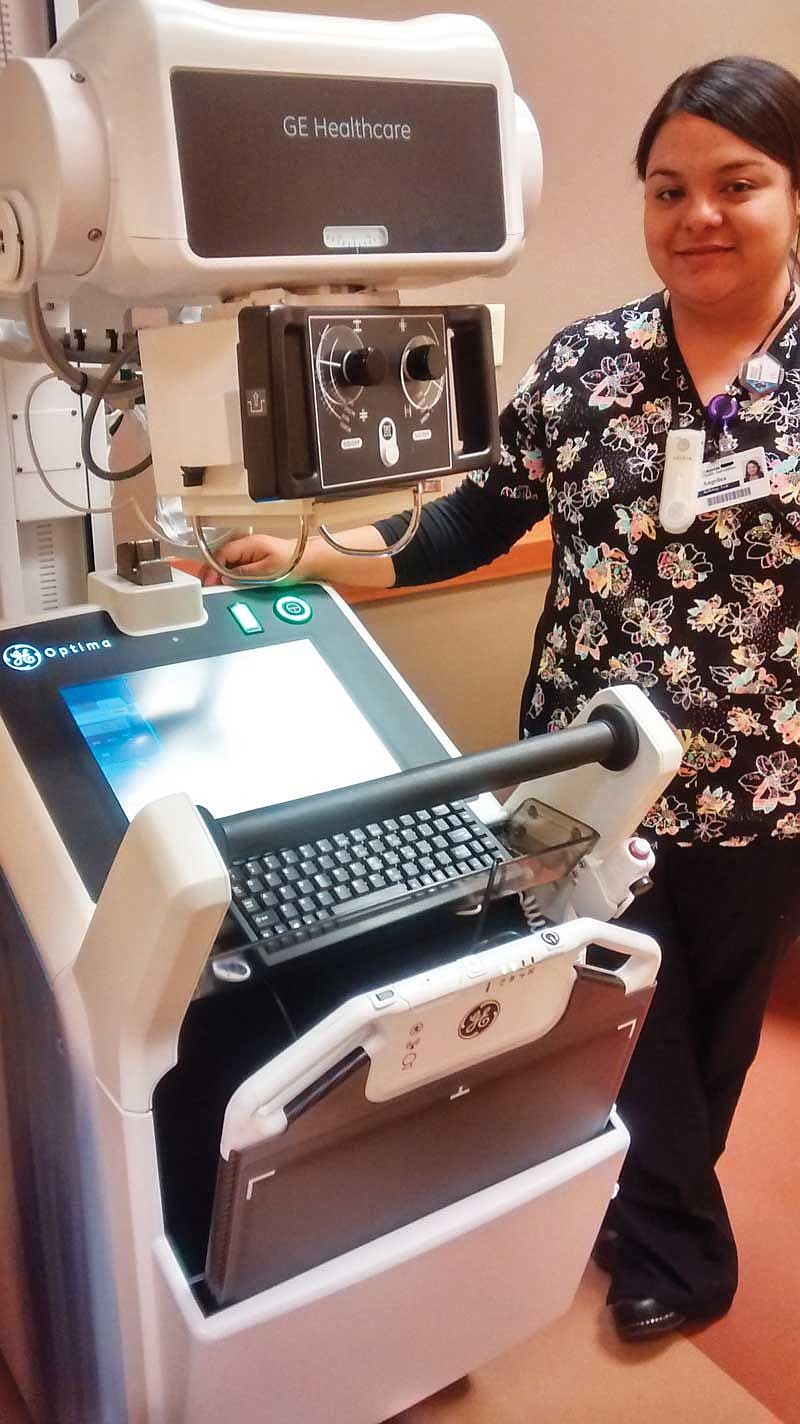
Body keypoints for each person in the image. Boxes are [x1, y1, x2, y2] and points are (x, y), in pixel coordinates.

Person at [203, 56, 800, 1342]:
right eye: (666, 188)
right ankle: (677, 1253)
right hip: (578, 764)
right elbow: (476, 518)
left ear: (790, 197)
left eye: (734, 184)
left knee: (712, 1026)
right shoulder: (589, 362)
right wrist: (312, 554)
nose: (697, 215)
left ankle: (641, 1204)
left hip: (760, 776)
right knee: (609, 999)